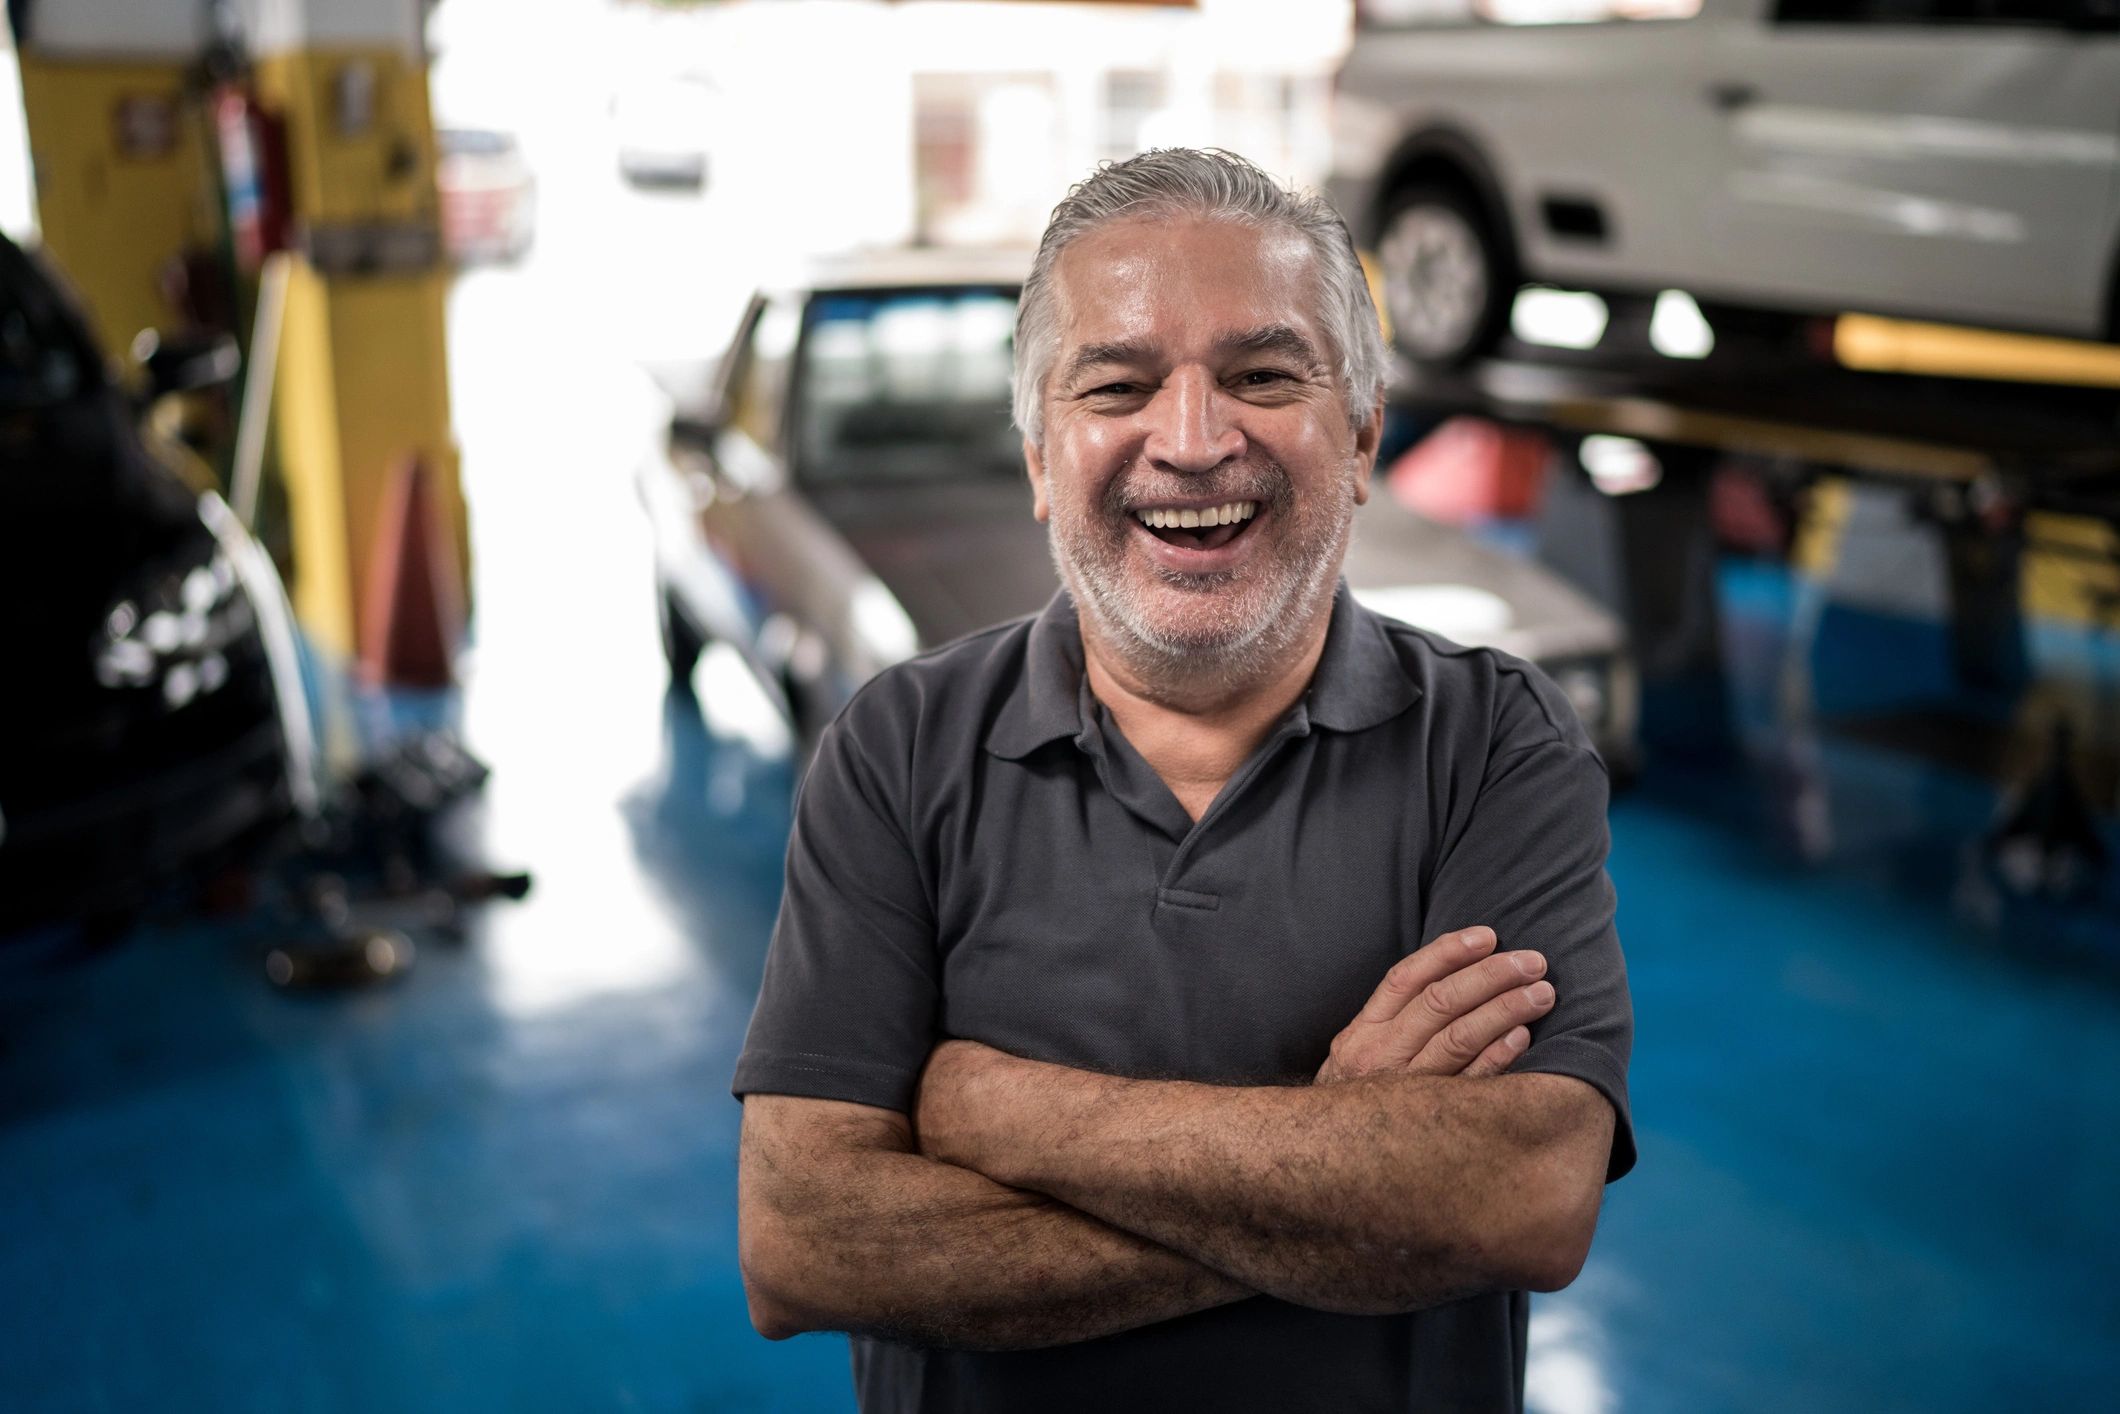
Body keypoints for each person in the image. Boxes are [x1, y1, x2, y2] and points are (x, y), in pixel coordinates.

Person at [731, 148, 1634, 1414]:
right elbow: (804, 1241)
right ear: (1043, 456)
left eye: (1263, 376)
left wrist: (1000, 1111)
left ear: (1364, 433)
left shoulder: (1495, 744)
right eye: (1119, 384)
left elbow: (1519, 1198)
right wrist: (1352, 1179)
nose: (1195, 441)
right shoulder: (898, 746)